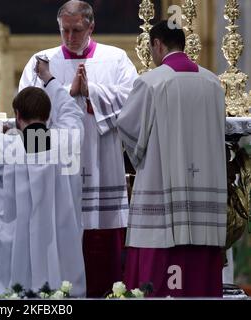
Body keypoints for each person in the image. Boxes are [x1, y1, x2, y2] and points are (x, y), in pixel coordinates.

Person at [19, 0, 138, 297]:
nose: (70, 37)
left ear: (91, 27)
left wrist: (91, 93)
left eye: (77, 30)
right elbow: (26, 112)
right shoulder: (41, 62)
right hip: (57, 168)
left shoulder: (116, 59)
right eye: (64, 30)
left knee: (103, 246)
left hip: (102, 163)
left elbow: (135, 102)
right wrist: (65, 93)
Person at [118, 21, 227, 297]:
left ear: (157, 44)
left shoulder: (151, 82)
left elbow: (128, 128)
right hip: (205, 204)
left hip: (160, 203)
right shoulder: (213, 83)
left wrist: (137, 155)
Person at [0, 58, 86, 297]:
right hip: (56, 252)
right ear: (49, 116)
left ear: (17, 115)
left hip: (14, 255)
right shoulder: (68, 141)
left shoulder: (7, 148)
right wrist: (48, 79)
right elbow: (71, 111)